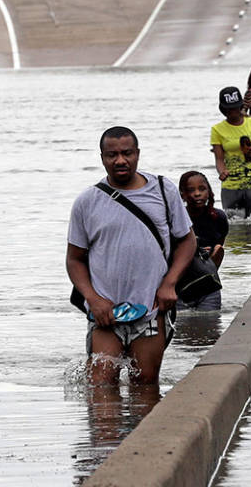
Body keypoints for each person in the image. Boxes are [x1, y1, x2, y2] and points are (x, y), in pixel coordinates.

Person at [66, 126, 197, 386]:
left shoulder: (163, 190)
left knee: (146, 386)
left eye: (127, 153)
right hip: (106, 314)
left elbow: (187, 241)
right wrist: (93, 299)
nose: (120, 160)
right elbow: (74, 259)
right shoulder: (87, 201)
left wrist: (169, 283)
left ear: (137, 154)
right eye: (111, 155)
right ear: (102, 157)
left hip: (151, 310)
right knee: (101, 387)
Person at [211, 86, 251, 218]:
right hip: (230, 186)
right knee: (234, 226)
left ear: (241, 106)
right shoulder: (217, 130)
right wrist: (222, 172)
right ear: (223, 110)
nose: (232, 112)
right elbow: (219, 159)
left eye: (235, 107)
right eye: (228, 109)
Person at [178, 171, 228, 310]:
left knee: (210, 322)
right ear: (182, 194)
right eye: (191, 190)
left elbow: (219, 251)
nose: (197, 194)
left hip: (208, 282)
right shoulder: (177, 219)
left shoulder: (218, 218)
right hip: (181, 284)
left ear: (209, 191)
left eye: (202, 189)